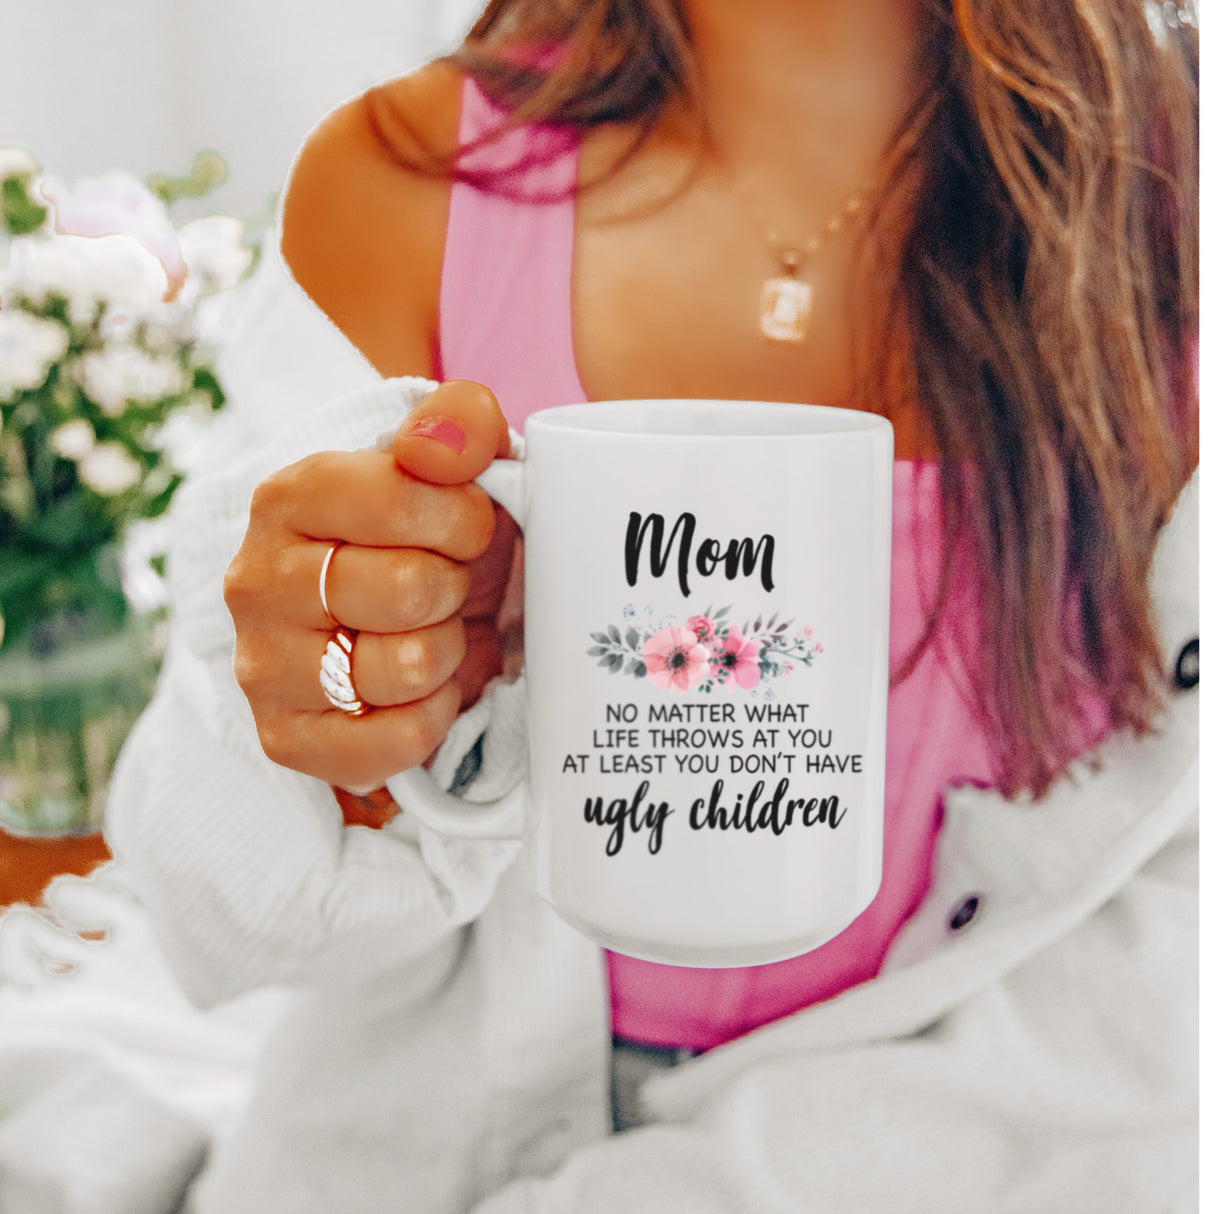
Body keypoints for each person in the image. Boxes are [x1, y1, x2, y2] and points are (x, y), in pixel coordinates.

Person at [105, 0, 1199, 1210]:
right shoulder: (403, 176)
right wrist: (353, 736)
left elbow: (1163, 932)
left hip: (972, 1141)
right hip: (409, 1145)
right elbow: (208, 915)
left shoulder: (1169, 200)